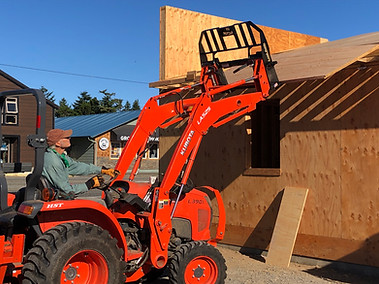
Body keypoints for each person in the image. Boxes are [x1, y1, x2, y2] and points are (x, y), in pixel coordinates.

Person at [42, 128, 117, 197]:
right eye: (67, 138)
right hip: (59, 198)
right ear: (57, 143)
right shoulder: (53, 161)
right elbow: (66, 190)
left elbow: (76, 167)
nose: (70, 139)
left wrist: (101, 170)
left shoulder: (59, 156)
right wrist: (89, 184)